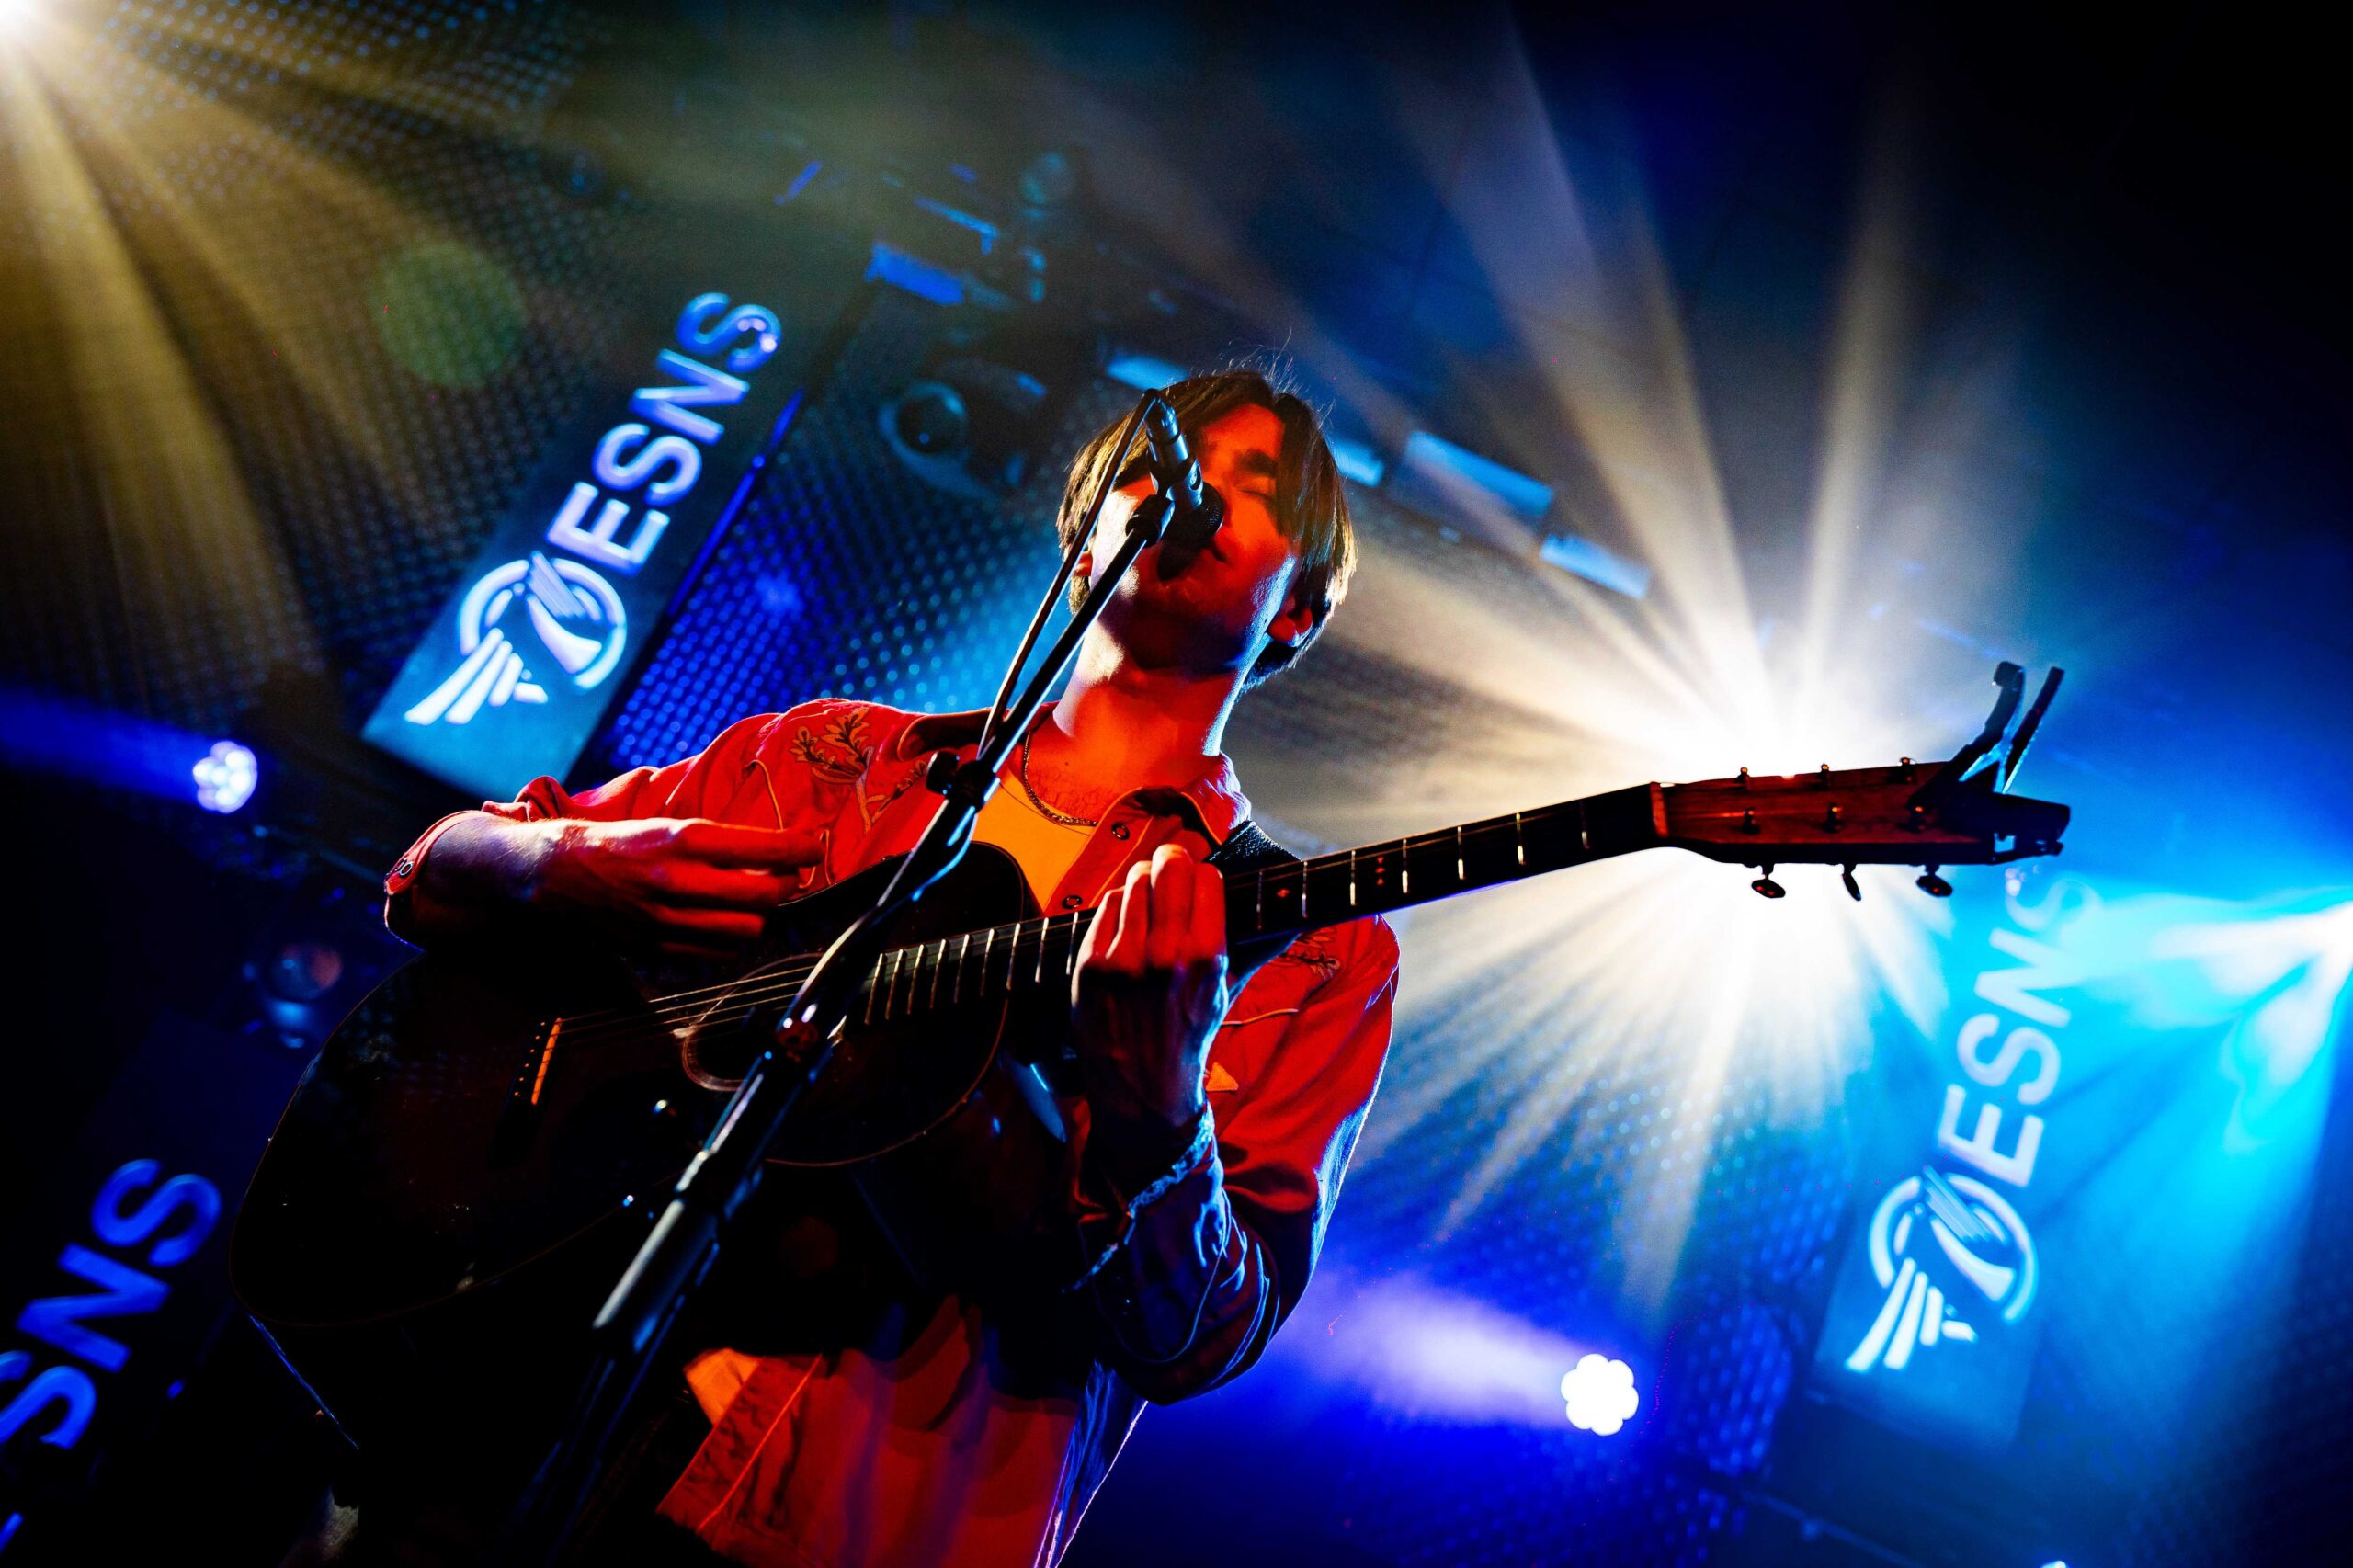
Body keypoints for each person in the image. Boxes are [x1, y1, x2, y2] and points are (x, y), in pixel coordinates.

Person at [373, 368, 1400, 1567]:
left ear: (1297, 608)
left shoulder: (1310, 944)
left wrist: (1160, 1112)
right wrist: (555, 862)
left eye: (1252, 484)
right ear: (1086, 541)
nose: (1195, 493)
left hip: (850, 1529)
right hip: (530, 1422)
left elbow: (1201, 1340)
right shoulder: (829, 760)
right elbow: (429, 878)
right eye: (1159, 465)